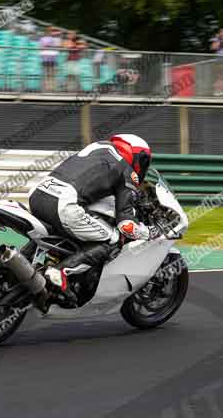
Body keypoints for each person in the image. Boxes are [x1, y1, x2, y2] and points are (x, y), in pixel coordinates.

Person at [28, 134, 153, 309]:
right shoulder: (127, 170)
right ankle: (60, 270)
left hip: (37, 195)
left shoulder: (96, 148)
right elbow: (126, 225)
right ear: (139, 157)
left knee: (57, 230)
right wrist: (148, 232)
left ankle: (27, 264)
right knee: (113, 239)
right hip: (64, 205)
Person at [39, 27, 61, 92]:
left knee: (51, 75)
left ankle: (51, 89)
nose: (49, 32)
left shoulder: (52, 39)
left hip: (51, 59)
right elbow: (42, 47)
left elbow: (54, 47)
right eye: (48, 31)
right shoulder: (44, 39)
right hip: (46, 59)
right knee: (47, 75)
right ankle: (47, 89)